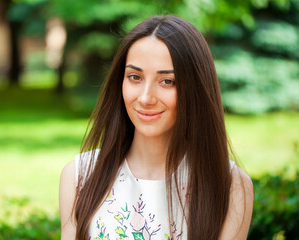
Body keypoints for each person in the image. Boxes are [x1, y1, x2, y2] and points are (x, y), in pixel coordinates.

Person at [59, 15, 254, 240]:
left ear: (195, 89)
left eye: (167, 81)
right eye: (135, 77)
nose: (145, 97)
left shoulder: (230, 186)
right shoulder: (80, 176)